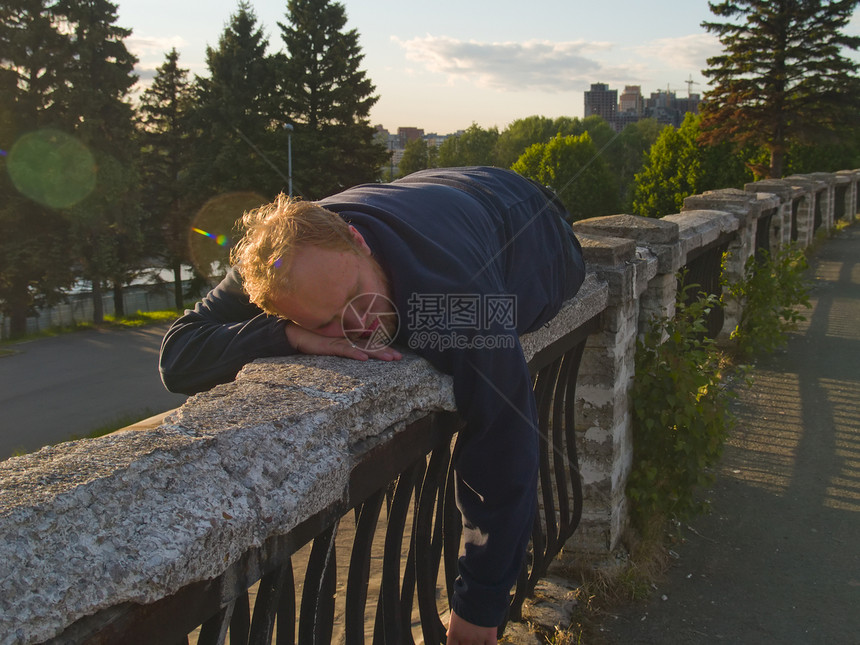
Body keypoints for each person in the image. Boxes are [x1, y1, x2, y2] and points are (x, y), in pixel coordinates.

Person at [159, 166, 586, 644]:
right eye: (329, 321)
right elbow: (178, 356)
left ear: (357, 239)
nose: (361, 323)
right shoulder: (277, 260)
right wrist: (287, 336)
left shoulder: (452, 297)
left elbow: (505, 434)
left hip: (537, 218)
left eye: (355, 295)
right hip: (447, 188)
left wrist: (481, 605)